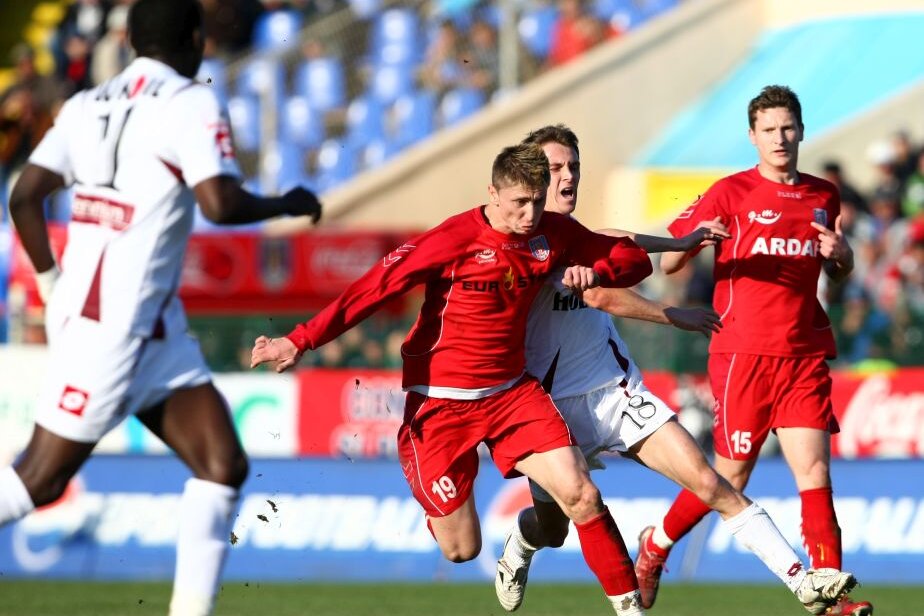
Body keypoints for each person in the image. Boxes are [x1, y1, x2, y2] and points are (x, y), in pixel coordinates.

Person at [252, 141, 669, 615]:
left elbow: (632, 260)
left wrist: (596, 270)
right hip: (441, 404)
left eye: (537, 201)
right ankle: (441, 503)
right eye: (519, 202)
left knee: (582, 494)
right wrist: (300, 340)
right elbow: (374, 288)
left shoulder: (553, 232)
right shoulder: (453, 239)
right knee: (461, 549)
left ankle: (630, 609)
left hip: (512, 395)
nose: (530, 214)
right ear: (493, 194)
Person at [4, 1, 323, 615]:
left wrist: (49, 282)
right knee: (39, 479)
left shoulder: (86, 103)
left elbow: (24, 197)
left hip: (146, 324)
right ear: (197, 40)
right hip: (113, 329)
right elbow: (220, 203)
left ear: (128, 39)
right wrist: (285, 202)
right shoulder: (189, 100)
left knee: (221, 463)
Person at [493, 124, 858, 616]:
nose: (568, 177)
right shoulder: (512, 250)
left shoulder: (588, 239)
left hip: (615, 393)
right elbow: (599, 295)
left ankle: (803, 583)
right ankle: (521, 542)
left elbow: (621, 240)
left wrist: (681, 241)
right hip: (548, 409)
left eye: (573, 166)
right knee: (552, 529)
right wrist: (673, 315)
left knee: (710, 482)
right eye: (555, 168)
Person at [635, 85, 872, 616]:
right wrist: (699, 238)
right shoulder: (730, 192)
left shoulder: (823, 195)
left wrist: (843, 255)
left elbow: (838, 270)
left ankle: (832, 596)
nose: (779, 138)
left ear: (801, 131)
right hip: (743, 353)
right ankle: (656, 547)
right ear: (753, 136)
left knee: (815, 474)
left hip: (803, 353)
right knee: (730, 477)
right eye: (769, 130)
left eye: (787, 128)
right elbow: (668, 263)